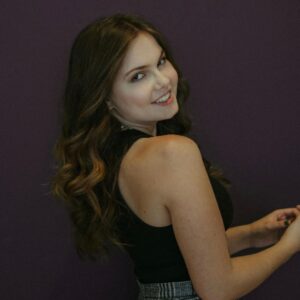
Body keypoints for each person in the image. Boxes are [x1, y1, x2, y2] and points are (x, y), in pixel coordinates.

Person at [51, 13, 300, 300]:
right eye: (138, 76)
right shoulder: (172, 153)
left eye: (161, 62)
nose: (163, 81)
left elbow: (171, 257)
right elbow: (218, 288)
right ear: (105, 97)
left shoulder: (114, 158)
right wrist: (288, 247)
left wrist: (253, 234)